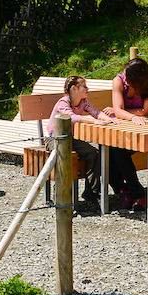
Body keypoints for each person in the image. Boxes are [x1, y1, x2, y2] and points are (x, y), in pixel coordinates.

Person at [51, 75, 115, 206]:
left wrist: (108, 119)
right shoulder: (63, 103)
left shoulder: (83, 101)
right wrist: (93, 121)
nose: (87, 89)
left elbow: (96, 112)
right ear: (74, 89)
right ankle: (60, 195)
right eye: (84, 86)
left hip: (72, 139)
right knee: (64, 157)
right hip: (55, 138)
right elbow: (71, 117)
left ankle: (91, 193)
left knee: (94, 153)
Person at [108, 57, 148, 209]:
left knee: (116, 150)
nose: (127, 83)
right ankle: (132, 192)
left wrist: (122, 112)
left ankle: (130, 192)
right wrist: (132, 116)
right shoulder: (118, 81)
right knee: (108, 148)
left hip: (143, 131)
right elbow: (119, 110)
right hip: (124, 129)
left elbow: (145, 110)